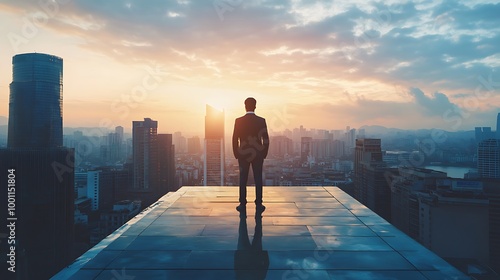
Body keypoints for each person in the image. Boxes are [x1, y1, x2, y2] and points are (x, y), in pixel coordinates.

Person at [232, 97, 269, 212]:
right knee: (258, 178)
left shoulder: (239, 121)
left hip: (243, 154)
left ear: (245, 106)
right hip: (257, 154)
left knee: (243, 179)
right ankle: (259, 203)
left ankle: (242, 203)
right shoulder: (261, 120)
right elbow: (266, 139)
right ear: (255, 106)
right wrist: (263, 154)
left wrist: (236, 153)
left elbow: (235, 138)